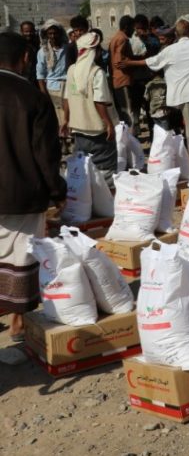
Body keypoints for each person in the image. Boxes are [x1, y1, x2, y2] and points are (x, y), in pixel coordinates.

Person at [0, 32, 66, 343]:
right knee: (22, 258)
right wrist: (57, 191)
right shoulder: (32, 98)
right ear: (26, 58)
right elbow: (46, 154)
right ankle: (17, 323)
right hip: (21, 193)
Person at [61, 32, 118, 186]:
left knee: (83, 169)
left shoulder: (71, 70)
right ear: (92, 51)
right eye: (98, 48)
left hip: (78, 129)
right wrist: (108, 123)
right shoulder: (96, 72)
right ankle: (106, 203)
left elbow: (67, 98)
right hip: (98, 131)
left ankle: (88, 202)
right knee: (105, 169)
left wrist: (66, 120)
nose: (100, 51)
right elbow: (99, 101)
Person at [109, 15, 143, 133]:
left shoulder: (116, 37)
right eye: (132, 28)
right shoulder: (122, 39)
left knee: (123, 112)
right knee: (128, 112)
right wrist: (135, 62)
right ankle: (131, 138)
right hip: (123, 79)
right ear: (126, 27)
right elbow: (119, 61)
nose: (134, 31)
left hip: (117, 79)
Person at [144, 27, 182, 132]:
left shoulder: (172, 49)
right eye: (159, 35)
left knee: (174, 114)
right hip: (166, 85)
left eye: (163, 35)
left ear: (170, 38)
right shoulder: (163, 48)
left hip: (174, 84)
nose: (160, 37)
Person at [36, 20, 72, 118]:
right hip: (53, 87)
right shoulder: (42, 52)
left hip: (70, 84)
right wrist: (44, 94)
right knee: (59, 115)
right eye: (50, 33)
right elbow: (40, 75)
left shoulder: (67, 49)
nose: (53, 36)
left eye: (55, 33)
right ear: (46, 35)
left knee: (72, 112)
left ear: (60, 33)